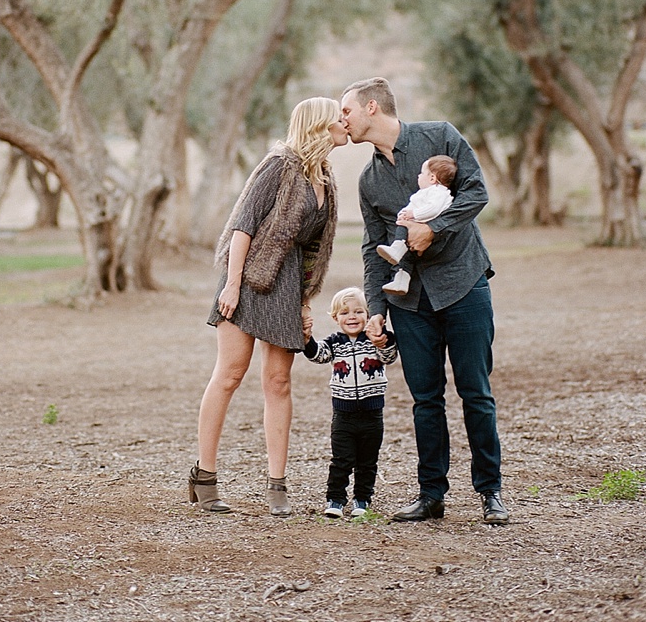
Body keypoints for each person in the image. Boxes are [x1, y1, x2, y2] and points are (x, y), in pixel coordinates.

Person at [340, 77, 509, 526]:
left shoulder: (441, 136)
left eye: (347, 112)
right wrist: (376, 308)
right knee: (425, 401)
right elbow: (373, 246)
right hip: (410, 304)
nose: (343, 121)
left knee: (476, 392)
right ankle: (432, 494)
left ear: (372, 107)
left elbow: (476, 192)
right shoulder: (368, 179)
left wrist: (435, 228)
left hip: (464, 284)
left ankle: (490, 492)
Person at [190, 97, 347, 517]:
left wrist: (303, 302)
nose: (345, 124)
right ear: (319, 126)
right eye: (339, 118)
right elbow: (243, 226)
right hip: (247, 277)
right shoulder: (278, 165)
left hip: (287, 284)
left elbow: (314, 250)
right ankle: (204, 475)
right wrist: (233, 285)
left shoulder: (326, 179)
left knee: (278, 382)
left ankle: (277, 484)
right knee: (229, 375)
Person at [303, 286, 397, 519]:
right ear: (335, 318)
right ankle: (335, 499)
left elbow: (390, 357)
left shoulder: (375, 339)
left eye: (358, 312)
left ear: (368, 314)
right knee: (341, 460)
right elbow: (318, 355)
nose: (352, 317)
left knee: (367, 461)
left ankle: (362, 500)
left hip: (372, 413)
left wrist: (383, 341)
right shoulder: (335, 343)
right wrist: (307, 340)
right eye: (344, 313)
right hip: (343, 415)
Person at [377, 155, 457, 296]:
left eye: (422, 173)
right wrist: (404, 213)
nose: (418, 176)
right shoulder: (427, 192)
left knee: (402, 230)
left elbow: (432, 209)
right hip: (414, 223)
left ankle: (397, 247)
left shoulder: (438, 192)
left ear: (432, 178)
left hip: (421, 225)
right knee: (407, 258)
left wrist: (413, 214)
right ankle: (401, 280)